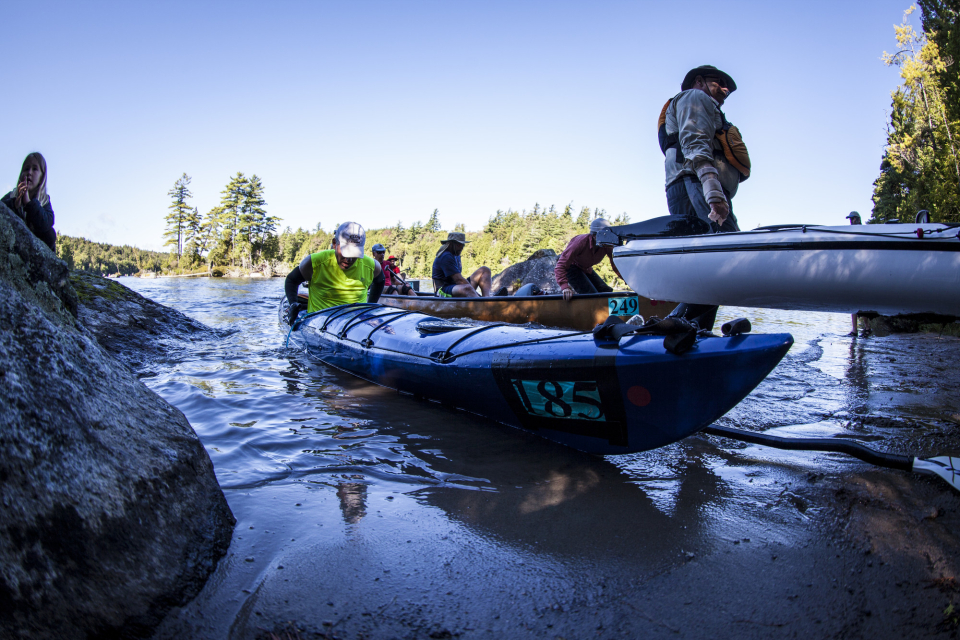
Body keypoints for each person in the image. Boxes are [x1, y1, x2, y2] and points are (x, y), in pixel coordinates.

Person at [659, 65, 751, 331]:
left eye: (728, 88)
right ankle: (674, 325)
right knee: (729, 259)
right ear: (699, 82)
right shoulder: (695, 98)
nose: (725, 90)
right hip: (697, 184)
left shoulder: (702, 103)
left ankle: (693, 334)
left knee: (704, 267)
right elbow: (695, 145)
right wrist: (713, 192)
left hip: (691, 184)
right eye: (719, 83)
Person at [283, 221, 384, 324]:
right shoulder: (315, 262)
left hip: (355, 323)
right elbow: (292, 280)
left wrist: (370, 306)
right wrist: (293, 304)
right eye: (346, 252)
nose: (349, 260)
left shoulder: (372, 265)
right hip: (319, 323)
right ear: (335, 243)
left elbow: (380, 281)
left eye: (354, 254)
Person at [555, 218, 624, 301]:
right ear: (594, 236)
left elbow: (616, 264)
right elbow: (561, 265)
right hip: (571, 268)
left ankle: (608, 313)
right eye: (603, 235)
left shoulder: (607, 245)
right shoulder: (579, 242)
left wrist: (627, 280)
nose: (606, 238)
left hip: (586, 269)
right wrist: (564, 286)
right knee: (591, 294)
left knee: (606, 291)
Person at [2, 152, 56, 251]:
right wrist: (14, 204)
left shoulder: (44, 200)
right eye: (26, 169)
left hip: (36, 251)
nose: (29, 172)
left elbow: (48, 222)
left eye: (35, 169)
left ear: (41, 177)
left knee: (50, 233)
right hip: (14, 245)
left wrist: (29, 203)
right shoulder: (11, 196)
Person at [431, 232, 493, 297]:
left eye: (463, 245)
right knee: (467, 289)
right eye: (459, 245)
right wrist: (475, 292)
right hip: (442, 290)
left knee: (485, 270)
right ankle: (483, 305)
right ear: (451, 244)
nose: (462, 248)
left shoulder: (456, 255)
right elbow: (458, 280)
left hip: (455, 287)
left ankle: (487, 299)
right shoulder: (446, 256)